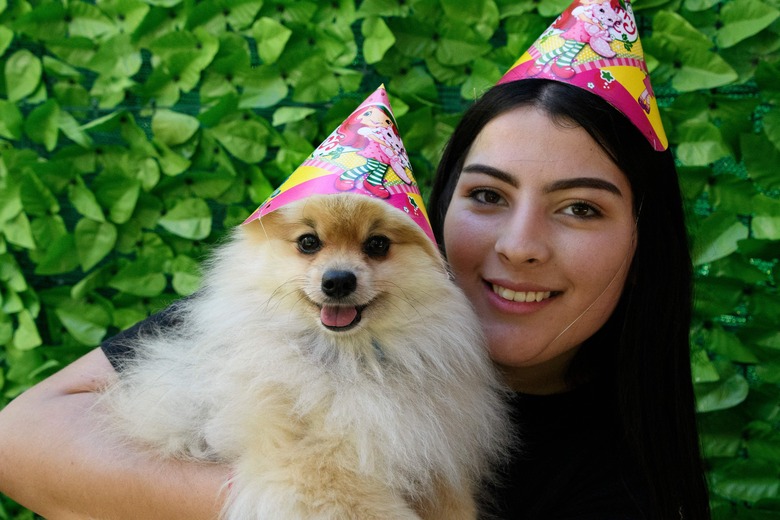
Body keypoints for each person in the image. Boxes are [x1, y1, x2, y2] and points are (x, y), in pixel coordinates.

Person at [0, 1, 710, 517]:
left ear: (646, 238)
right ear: (434, 212)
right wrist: (294, 497)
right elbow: (19, 439)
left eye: (581, 208)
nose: (519, 245)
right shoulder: (290, 316)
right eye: (488, 195)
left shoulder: (621, 483)